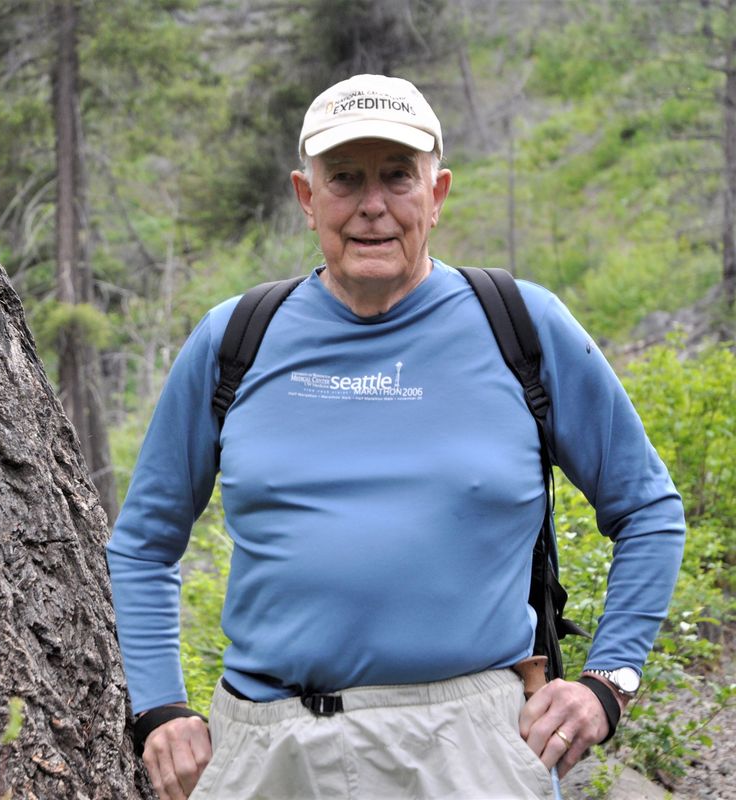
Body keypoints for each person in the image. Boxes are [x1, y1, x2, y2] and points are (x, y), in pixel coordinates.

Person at [105, 73, 686, 800]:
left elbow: (648, 510)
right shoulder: (236, 339)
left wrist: (608, 681)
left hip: (469, 749)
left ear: (437, 194)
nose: (372, 205)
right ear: (306, 196)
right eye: (345, 178)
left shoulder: (522, 327)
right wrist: (159, 709)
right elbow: (143, 542)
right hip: (266, 748)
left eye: (397, 176)